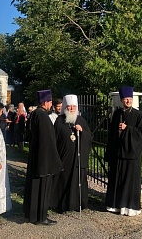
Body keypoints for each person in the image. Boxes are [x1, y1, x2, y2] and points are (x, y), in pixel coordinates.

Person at [105, 86, 142, 216]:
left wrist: (127, 128)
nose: (127, 101)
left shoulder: (138, 115)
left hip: (131, 155)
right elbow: (111, 134)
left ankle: (130, 208)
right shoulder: (117, 114)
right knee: (117, 180)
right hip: (118, 154)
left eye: (129, 99)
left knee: (129, 182)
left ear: (132, 100)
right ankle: (115, 206)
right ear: (121, 100)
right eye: (125, 99)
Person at [23, 90, 63, 225]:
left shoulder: (35, 114)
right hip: (44, 159)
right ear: (45, 102)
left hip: (36, 156)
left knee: (35, 188)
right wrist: (53, 160)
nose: (51, 104)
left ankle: (33, 215)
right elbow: (48, 141)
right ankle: (41, 217)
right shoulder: (43, 116)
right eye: (51, 102)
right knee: (43, 188)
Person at [51, 94, 92, 212]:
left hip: (78, 157)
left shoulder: (81, 120)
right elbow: (55, 138)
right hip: (64, 157)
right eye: (69, 106)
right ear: (65, 107)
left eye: (74, 107)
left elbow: (89, 137)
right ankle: (62, 204)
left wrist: (82, 131)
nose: (71, 109)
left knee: (77, 180)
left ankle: (77, 204)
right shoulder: (59, 120)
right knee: (64, 179)